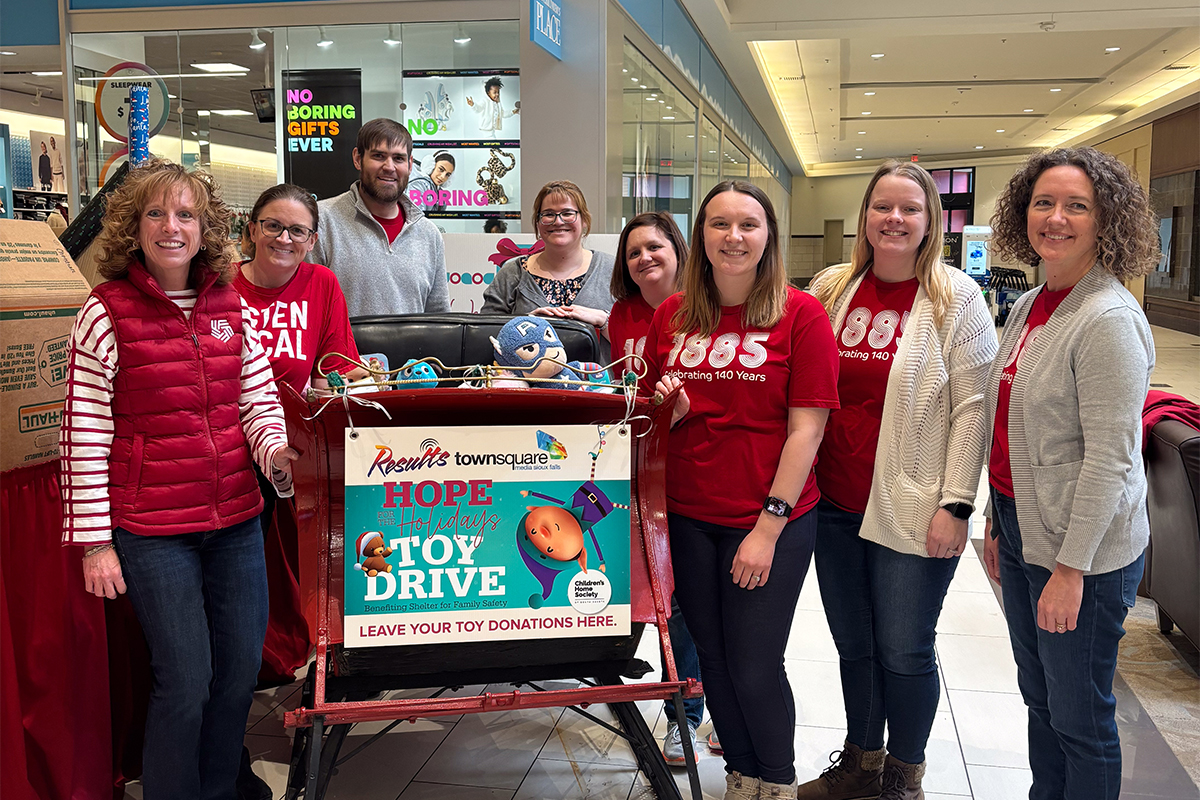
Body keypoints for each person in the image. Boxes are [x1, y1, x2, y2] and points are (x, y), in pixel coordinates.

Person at [59, 159, 299, 800]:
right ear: (133, 228)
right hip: (152, 531)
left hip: (235, 520)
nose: (172, 226)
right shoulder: (104, 311)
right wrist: (95, 542)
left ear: (206, 226)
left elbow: (255, 399)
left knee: (238, 672)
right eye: (156, 213)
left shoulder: (229, 303)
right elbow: (82, 432)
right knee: (186, 679)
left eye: (186, 214)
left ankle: (220, 788)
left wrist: (275, 450)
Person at [801, 162, 998, 800]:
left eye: (909, 209)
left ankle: (903, 777)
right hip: (832, 503)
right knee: (854, 646)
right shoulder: (833, 287)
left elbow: (974, 406)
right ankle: (861, 762)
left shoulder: (954, 296)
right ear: (864, 216)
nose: (894, 219)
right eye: (882, 207)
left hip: (913, 505)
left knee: (905, 648)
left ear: (929, 222)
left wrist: (958, 503)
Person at [642, 181, 840, 800]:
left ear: (768, 238)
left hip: (767, 517)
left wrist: (768, 527)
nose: (733, 237)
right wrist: (665, 414)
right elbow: (650, 415)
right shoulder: (671, 316)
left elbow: (807, 431)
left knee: (755, 664)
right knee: (715, 661)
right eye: (719, 224)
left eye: (748, 225)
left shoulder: (800, 314)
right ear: (700, 237)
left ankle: (776, 782)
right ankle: (742, 776)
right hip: (688, 514)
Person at [983, 147, 1158, 800]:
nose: (1055, 218)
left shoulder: (1106, 318)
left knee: (1080, 717)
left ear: (1105, 218)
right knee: (1041, 701)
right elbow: (1004, 426)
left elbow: (1112, 460)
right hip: (1024, 525)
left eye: (1076, 206)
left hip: (1080, 554)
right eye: (1043, 203)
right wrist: (995, 523)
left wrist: (1069, 568)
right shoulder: (1031, 304)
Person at [610, 211, 710, 762]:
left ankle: (713, 707)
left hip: (703, 476)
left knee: (709, 606)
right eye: (633, 252)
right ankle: (686, 712)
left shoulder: (707, 307)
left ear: (679, 249)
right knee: (671, 604)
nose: (645, 258)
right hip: (645, 478)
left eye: (655, 247)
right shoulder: (621, 317)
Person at [310, 118, 451, 317]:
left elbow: (439, 319)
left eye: (399, 158)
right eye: (378, 156)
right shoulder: (321, 221)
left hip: (412, 350)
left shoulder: (429, 234)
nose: (389, 167)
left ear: (410, 165)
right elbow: (304, 309)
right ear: (358, 158)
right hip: (342, 350)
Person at [481, 180, 615, 341]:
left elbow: (638, 339)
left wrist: (605, 322)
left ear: (584, 219)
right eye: (548, 214)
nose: (558, 221)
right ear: (538, 223)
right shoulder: (512, 273)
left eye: (567, 213)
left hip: (598, 367)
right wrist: (524, 324)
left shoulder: (613, 271)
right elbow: (484, 335)